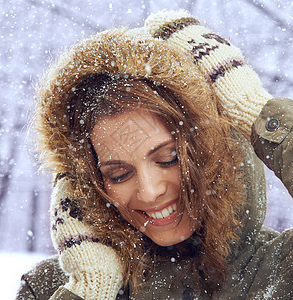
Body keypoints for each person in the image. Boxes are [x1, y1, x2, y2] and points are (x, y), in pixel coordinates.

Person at [16, 10, 293, 300]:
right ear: (89, 187)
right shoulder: (48, 288)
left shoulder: (281, 270)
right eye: (118, 174)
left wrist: (256, 112)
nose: (149, 192)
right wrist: (93, 289)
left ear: (213, 151)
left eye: (169, 158)